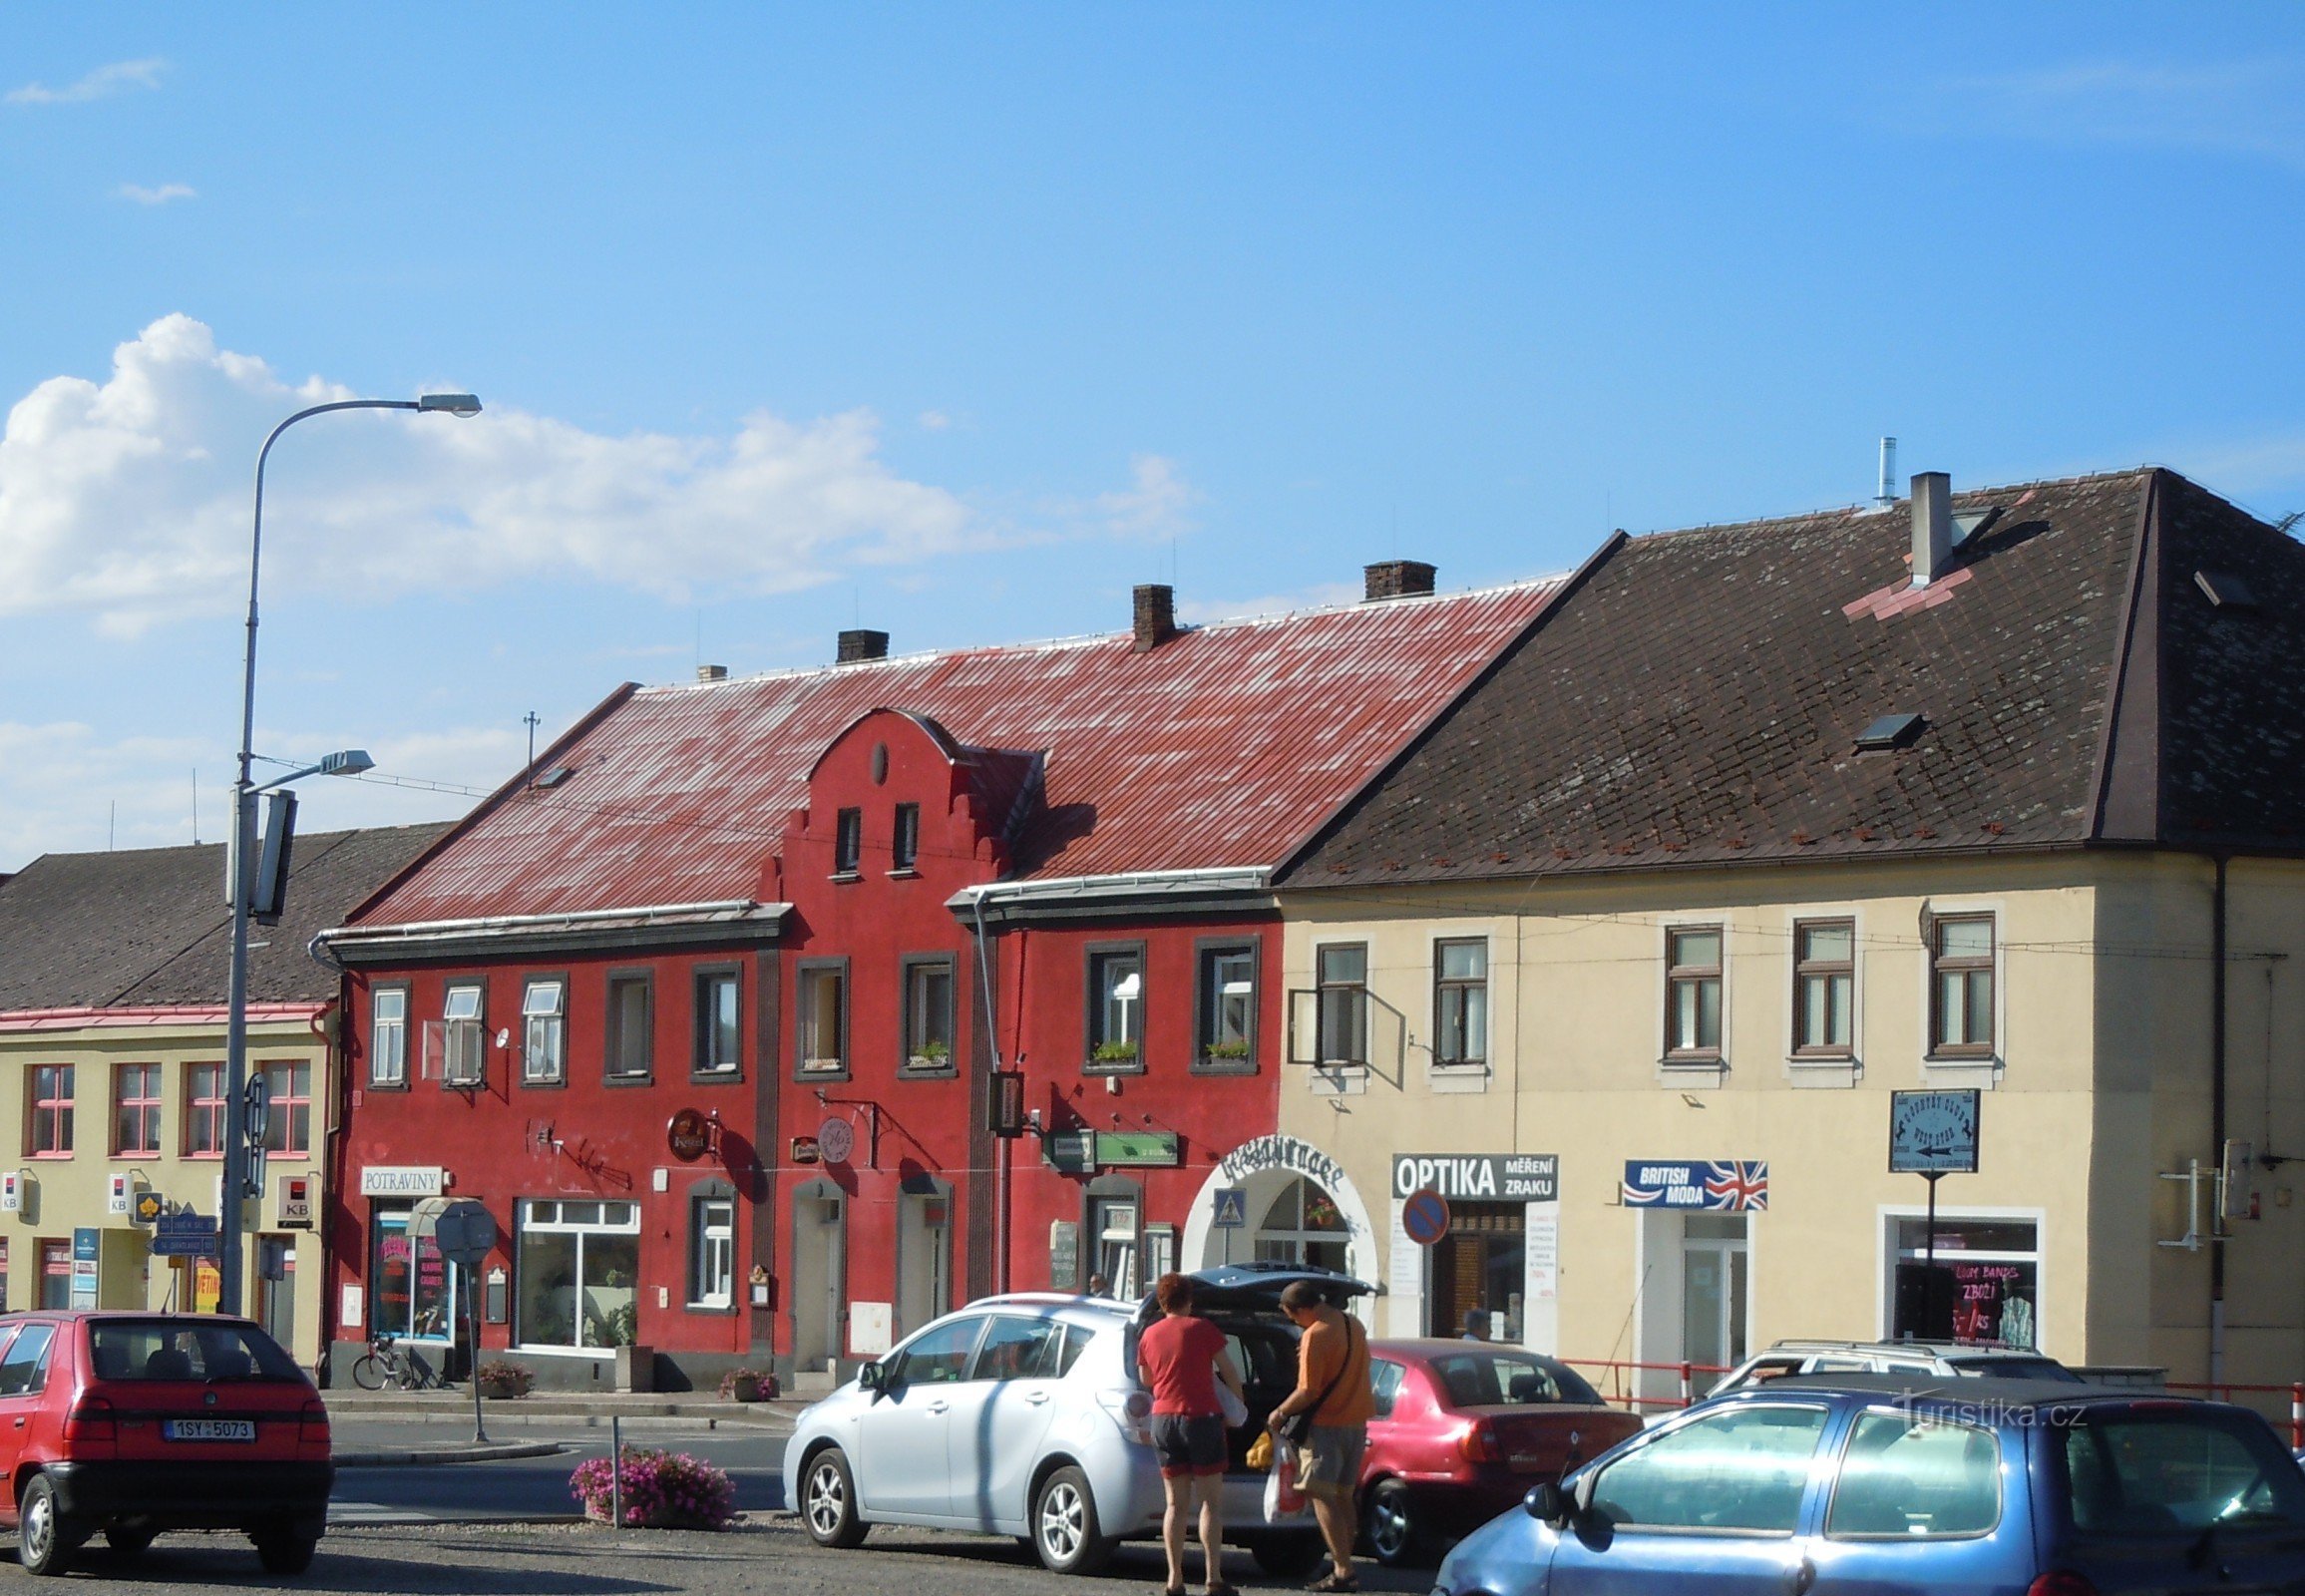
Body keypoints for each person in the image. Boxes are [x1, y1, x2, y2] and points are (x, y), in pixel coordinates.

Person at [1137, 1272, 1243, 1596]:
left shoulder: (1149, 1334)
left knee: (1175, 1504)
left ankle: (1175, 1578)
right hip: (1202, 1417)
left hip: (1164, 1420)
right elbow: (1229, 1371)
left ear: (1161, 1301)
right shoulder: (1203, 1329)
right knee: (1210, 1503)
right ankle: (1213, 1578)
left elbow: (1146, 1379)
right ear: (1189, 1299)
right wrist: (1236, 1407)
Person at [1269, 1280, 1373, 1594]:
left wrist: (1280, 1413)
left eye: (1292, 1316)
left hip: (1327, 1424)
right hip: (1357, 1420)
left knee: (1320, 1492)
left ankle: (1343, 1570)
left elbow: (1308, 1390)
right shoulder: (1351, 1323)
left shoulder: (1315, 1335)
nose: (1293, 1322)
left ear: (1303, 1309)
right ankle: (1347, 1561)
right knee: (1343, 1495)